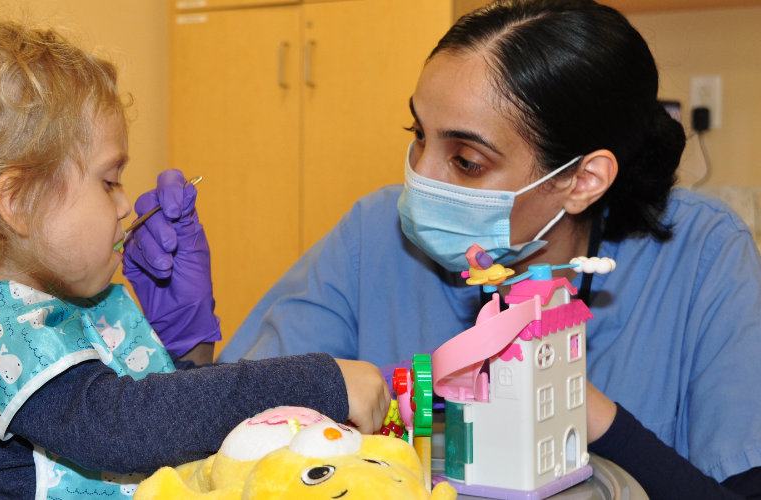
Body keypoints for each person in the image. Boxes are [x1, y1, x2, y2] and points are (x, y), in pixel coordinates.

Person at [202, 0, 761, 497]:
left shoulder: (704, 256)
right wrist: (187, 344)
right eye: (417, 134)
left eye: (467, 162)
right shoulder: (375, 235)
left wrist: (588, 413)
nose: (421, 177)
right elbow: (235, 440)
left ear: (584, 179)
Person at [0, 13, 390, 499]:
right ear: (16, 202)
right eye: (109, 181)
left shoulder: (61, 303)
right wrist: (321, 381)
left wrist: (186, 346)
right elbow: (117, 427)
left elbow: (164, 431)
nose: (127, 205)